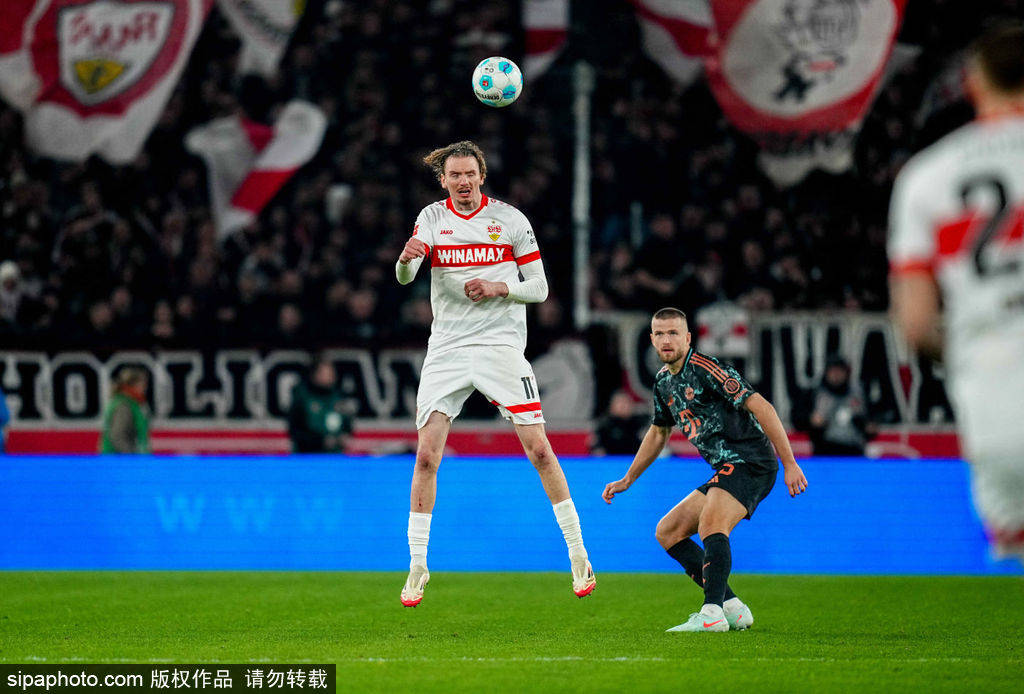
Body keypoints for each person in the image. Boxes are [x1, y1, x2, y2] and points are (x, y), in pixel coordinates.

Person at [395, 140, 595, 607]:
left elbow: (540, 289)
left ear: (481, 176)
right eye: (454, 175)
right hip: (447, 348)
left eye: (470, 174)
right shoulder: (431, 218)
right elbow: (407, 277)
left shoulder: (510, 221)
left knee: (540, 450)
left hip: (500, 347)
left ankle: (578, 553)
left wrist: (498, 287)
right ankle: (418, 564)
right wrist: (406, 260)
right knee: (425, 457)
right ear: (443, 180)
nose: (463, 182)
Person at [889, 21, 1024, 563]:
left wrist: (971, 355)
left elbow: (917, 324)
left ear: (973, 83)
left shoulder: (927, 177)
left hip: (994, 390)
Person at [602, 308, 807, 632]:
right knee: (668, 531)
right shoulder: (663, 382)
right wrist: (628, 478)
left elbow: (762, 407)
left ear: (687, 338)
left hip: (750, 462)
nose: (666, 340)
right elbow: (659, 432)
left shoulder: (706, 368)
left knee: (712, 523)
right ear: (652, 340)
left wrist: (790, 463)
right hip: (727, 468)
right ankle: (732, 607)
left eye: (673, 333)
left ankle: (711, 614)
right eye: (660, 334)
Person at [807, 355, 874, 457]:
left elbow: (870, 420)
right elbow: (798, 418)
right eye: (832, 371)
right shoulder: (816, 393)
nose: (836, 375)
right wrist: (811, 421)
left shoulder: (858, 393)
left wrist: (868, 426)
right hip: (824, 450)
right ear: (826, 373)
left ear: (846, 373)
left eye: (839, 371)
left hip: (854, 449)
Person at [287, 354, 352, 453]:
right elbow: (295, 431)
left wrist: (344, 437)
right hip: (308, 456)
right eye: (324, 373)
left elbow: (348, 426)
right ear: (314, 375)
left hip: (335, 456)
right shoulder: (302, 396)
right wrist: (320, 441)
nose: (329, 377)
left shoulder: (339, 397)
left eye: (331, 373)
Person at [99, 367, 150, 454]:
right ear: (133, 384)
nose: (145, 387)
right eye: (142, 384)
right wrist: (131, 456)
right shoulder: (124, 405)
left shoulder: (134, 403)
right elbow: (117, 436)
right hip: (118, 458)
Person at [592, 390, 647, 456]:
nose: (623, 406)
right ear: (611, 406)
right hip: (611, 460)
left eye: (626, 402)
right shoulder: (603, 426)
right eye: (619, 403)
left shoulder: (640, 424)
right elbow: (596, 449)